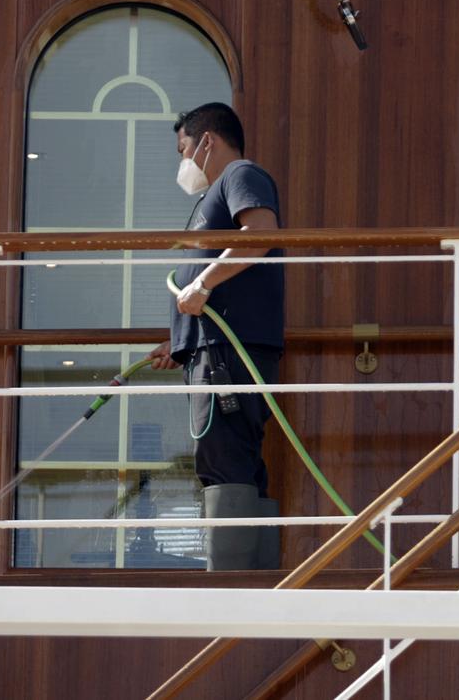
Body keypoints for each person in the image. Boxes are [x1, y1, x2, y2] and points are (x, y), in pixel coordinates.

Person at [147, 102, 284, 570]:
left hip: (229, 351)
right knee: (238, 457)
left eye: (183, 149)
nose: (182, 163)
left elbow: (259, 233)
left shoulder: (240, 174)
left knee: (222, 456)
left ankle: (229, 585)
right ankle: (254, 576)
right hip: (212, 347)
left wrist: (202, 283)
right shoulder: (212, 196)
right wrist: (180, 343)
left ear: (207, 141)